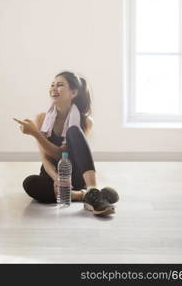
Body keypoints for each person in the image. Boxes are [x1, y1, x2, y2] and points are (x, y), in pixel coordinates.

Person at [14, 71, 119, 216]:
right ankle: (83, 195)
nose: (54, 88)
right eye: (52, 85)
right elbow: (45, 158)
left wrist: (35, 134)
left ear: (73, 92)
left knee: (74, 131)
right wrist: (57, 179)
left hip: (73, 175)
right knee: (30, 183)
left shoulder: (85, 121)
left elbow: (61, 154)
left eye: (60, 85)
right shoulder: (41, 118)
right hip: (52, 174)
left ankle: (92, 190)